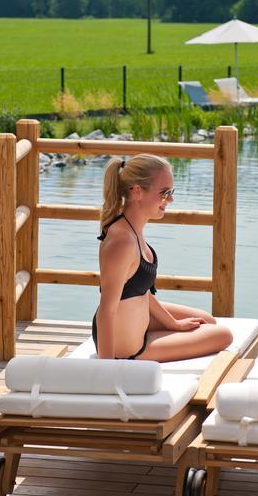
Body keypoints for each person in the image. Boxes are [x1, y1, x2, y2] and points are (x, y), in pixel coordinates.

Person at [93, 153, 233, 361]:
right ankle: (139, 347)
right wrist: (106, 369)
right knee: (223, 335)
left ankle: (162, 329)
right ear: (137, 192)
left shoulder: (133, 228)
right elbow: (107, 309)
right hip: (127, 346)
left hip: (137, 318)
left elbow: (137, 289)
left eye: (171, 191)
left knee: (206, 321)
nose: (170, 199)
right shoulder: (122, 242)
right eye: (164, 192)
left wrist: (172, 324)